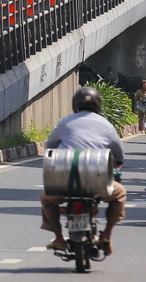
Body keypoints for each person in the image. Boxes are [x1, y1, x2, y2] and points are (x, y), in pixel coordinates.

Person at [41, 87, 127, 255]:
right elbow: (118, 151)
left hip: (65, 182)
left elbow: (50, 146)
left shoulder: (65, 122)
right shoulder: (106, 124)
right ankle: (107, 236)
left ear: (75, 104)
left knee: (47, 199)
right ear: (98, 104)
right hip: (97, 183)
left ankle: (59, 238)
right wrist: (119, 162)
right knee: (120, 194)